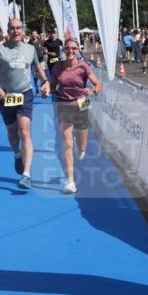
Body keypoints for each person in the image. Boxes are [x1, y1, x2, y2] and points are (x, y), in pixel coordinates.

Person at [0, 18, 51, 188]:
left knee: (24, 131)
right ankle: (17, 154)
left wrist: (45, 81)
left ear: (23, 30)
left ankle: (27, 175)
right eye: (12, 28)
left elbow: (37, 68)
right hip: (6, 96)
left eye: (19, 28)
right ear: (8, 31)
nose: (16, 31)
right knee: (13, 132)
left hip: (25, 94)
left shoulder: (30, 49)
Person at [51, 38, 103, 194]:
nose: (70, 51)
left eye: (74, 48)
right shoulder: (57, 67)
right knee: (67, 143)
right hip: (64, 104)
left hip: (82, 103)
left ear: (78, 50)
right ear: (64, 50)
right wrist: (48, 88)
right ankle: (70, 181)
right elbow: (53, 85)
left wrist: (92, 91)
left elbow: (99, 85)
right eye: (67, 48)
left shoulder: (83, 66)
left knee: (81, 142)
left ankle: (81, 147)